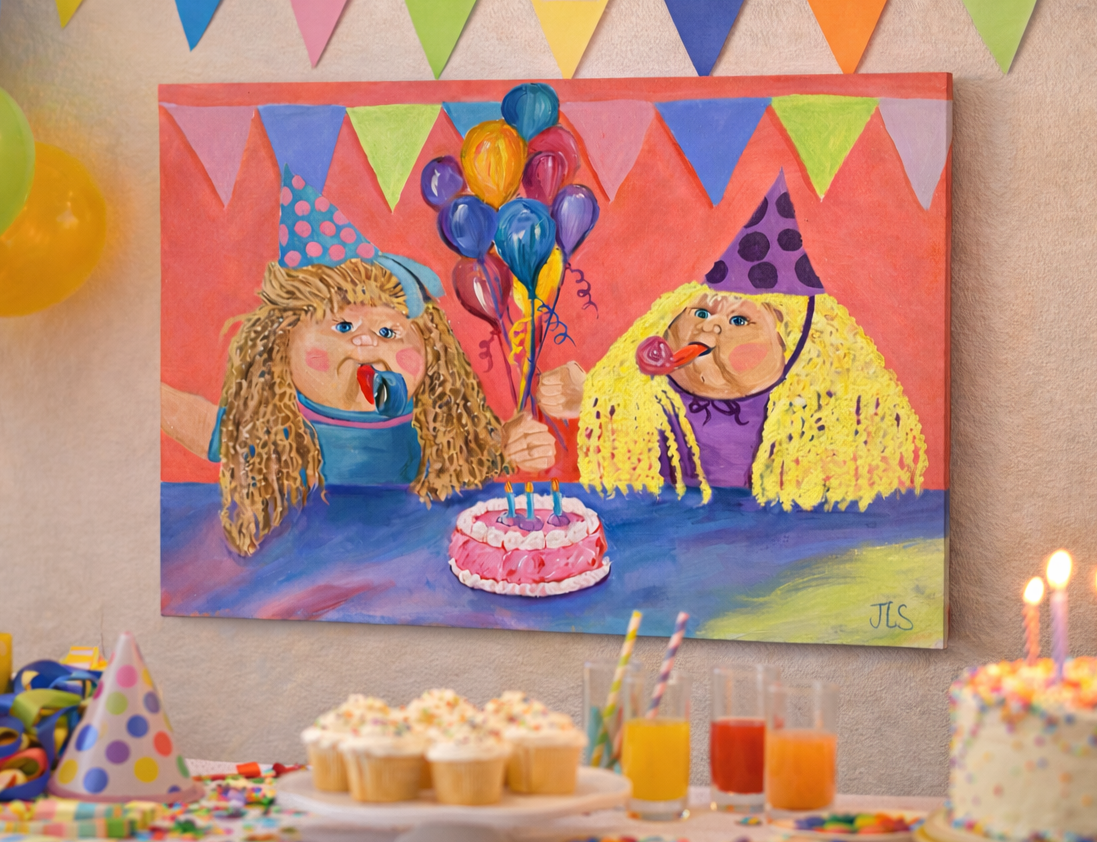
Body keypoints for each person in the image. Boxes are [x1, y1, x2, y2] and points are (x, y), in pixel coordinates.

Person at [161, 168, 552, 555]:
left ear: (433, 352)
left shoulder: (438, 425)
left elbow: (477, 458)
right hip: (299, 568)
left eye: (388, 333)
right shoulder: (271, 428)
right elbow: (205, 426)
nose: (364, 341)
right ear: (281, 346)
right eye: (343, 325)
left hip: (412, 559)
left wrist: (509, 443)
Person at [535, 170, 927, 512]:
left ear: (792, 348)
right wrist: (594, 396)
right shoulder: (651, 397)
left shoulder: (830, 412)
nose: (710, 329)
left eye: (739, 320)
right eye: (701, 314)